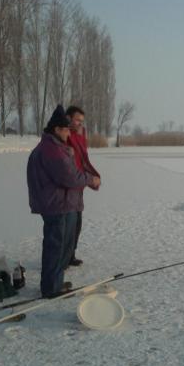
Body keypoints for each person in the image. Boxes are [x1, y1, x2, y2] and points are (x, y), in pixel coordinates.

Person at [27, 105, 101, 298]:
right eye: (67, 129)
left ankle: (55, 283)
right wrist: (90, 179)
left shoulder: (54, 146)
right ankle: (51, 288)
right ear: (57, 129)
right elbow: (69, 177)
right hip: (56, 205)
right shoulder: (52, 149)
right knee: (56, 247)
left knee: (60, 247)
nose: (70, 133)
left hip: (60, 203)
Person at [65, 105, 101, 267]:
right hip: (68, 185)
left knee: (77, 224)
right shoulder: (63, 133)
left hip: (80, 183)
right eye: (77, 120)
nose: (80, 124)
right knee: (68, 224)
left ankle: (70, 255)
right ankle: (63, 258)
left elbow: (83, 157)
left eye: (82, 121)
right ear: (68, 118)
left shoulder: (80, 134)